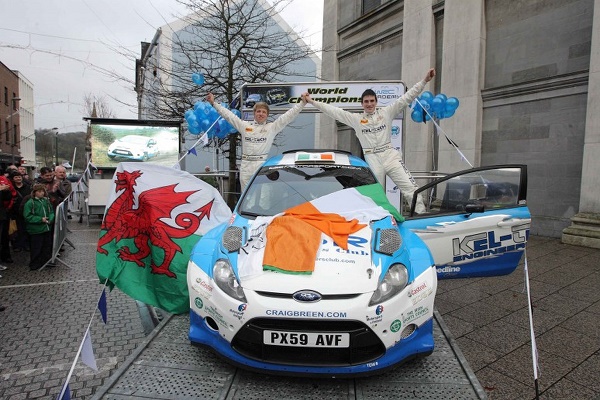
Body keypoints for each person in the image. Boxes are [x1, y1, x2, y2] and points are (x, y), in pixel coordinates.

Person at [302, 68, 436, 214]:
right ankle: (379, 220)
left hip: (390, 155)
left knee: (411, 189)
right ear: (362, 104)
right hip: (372, 158)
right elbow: (333, 111)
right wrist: (311, 101)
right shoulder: (356, 119)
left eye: (372, 101)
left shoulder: (386, 112)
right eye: (366, 102)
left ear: (376, 102)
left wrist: (424, 81)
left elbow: (406, 98)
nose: (369, 104)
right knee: (375, 194)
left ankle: (421, 216)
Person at [206, 92, 307, 189]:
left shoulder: (272, 128)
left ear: (267, 115)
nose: (261, 114)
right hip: (246, 165)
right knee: (246, 198)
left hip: (261, 165)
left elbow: (288, 116)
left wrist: (302, 103)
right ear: (254, 113)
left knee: (262, 197)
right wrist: (214, 103)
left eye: (264, 112)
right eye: (258, 111)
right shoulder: (245, 126)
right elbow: (229, 116)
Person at [23, 184, 55, 271]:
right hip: (35, 230)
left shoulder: (46, 201)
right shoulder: (30, 203)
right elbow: (27, 216)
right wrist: (40, 219)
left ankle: (46, 261)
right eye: (39, 191)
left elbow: (51, 211)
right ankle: (34, 263)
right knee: (36, 247)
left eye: (43, 191)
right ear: (34, 193)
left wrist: (50, 219)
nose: (42, 193)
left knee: (46, 246)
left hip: (46, 227)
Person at [9, 170, 31, 252]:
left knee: (26, 229)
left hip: (26, 211)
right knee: (16, 229)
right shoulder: (11, 188)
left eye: (19, 177)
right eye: (16, 177)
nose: (18, 178)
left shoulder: (28, 187)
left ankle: (26, 244)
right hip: (15, 211)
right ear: (13, 179)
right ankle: (17, 245)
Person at [0, 169, 16, 265]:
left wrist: (6, 191)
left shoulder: (3, 179)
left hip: (2, 214)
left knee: (4, 237)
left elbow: (9, 196)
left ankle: (5, 257)